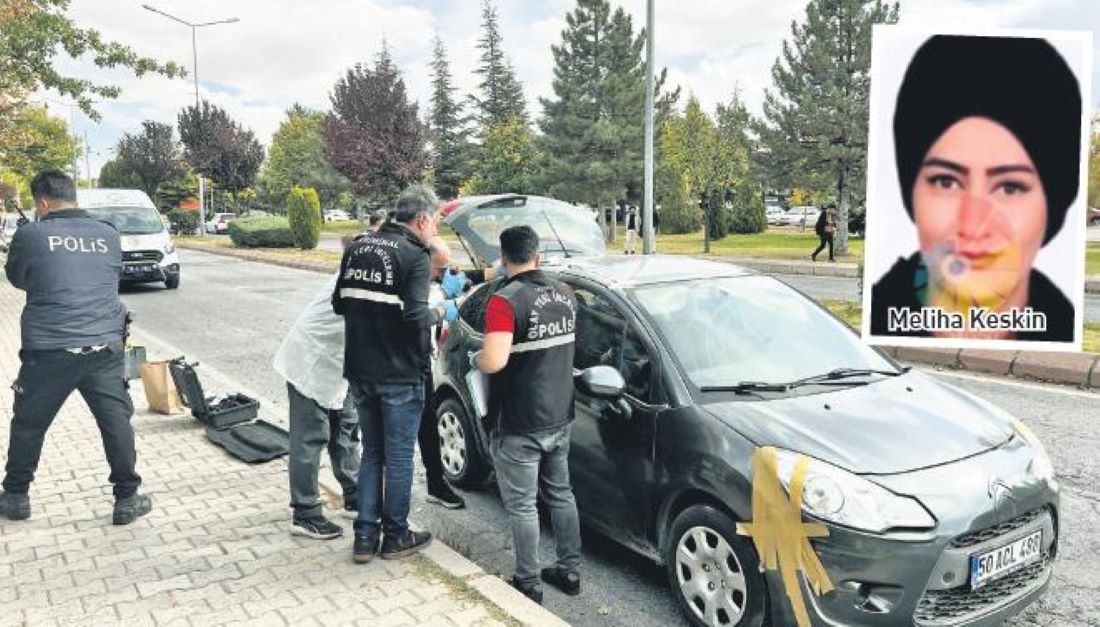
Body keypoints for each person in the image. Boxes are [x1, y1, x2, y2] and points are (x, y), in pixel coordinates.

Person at [870, 36, 1079, 341]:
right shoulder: (869, 331)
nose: (973, 225)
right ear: (910, 190)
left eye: (1009, 187)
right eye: (946, 182)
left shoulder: (1062, 325)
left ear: (1055, 202)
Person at [0, 171, 152, 525]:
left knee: (29, 424)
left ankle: (16, 496)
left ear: (41, 203)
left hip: (49, 349)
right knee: (115, 422)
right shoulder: (108, 234)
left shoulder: (31, 234)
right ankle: (127, 498)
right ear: (73, 197)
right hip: (103, 347)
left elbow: (18, 278)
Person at [333, 184, 459, 563]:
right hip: (400, 373)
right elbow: (416, 318)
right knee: (400, 457)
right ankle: (397, 536)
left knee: (372, 453)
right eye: (436, 222)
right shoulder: (415, 254)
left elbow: (339, 303)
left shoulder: (357, 247)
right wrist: (444, 310)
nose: (435, 229)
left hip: (360, 369)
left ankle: (365, 537)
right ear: (421, 220)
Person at [470, 225, 582, 604]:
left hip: (518, 421)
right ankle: (569, 571)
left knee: (523, 505)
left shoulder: (505, 301)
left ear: (503, 257)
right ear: (537, 255)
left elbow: (494, 359)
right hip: (559, 414)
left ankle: (528, 583)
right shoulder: (566, 294)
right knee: (561, 495)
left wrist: (475, 357)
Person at [274, 274, 360, 540]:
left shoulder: (377, 265)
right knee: (310, 439)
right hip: (311, 360)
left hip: (339, 365)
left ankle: (355, 497)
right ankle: (305, 514)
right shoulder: (366, 275)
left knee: (344, 432)